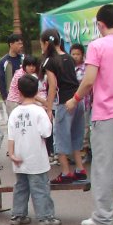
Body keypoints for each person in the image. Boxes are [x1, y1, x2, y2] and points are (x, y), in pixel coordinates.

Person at [65, 3, 113, 225]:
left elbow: (89, 80)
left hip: (106, 112)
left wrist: (74, 99)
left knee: (103, 166)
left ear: (100, 24)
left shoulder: (97, 46)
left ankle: (102, 216)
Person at [7, 74, 60, 225]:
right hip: (36, 158)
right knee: (40, 187)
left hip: (19, 157)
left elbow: (11, 136)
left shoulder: (15, 113)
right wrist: (49, 118)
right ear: (36, 91)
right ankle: (45, 216)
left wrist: (12, 154)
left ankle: (18, 214)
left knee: (21, 187)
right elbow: (46, 133)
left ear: (20, 92)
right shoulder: (39, 112)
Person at [40, 28, 87, 183]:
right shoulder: (68, 57)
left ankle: (66, 172)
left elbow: (53, 85)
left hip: (64, 103)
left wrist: (48, 108)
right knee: (76, 136)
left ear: (46, 43)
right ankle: (80, 169)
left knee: (60, 138)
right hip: (77, 101)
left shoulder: (49, 61)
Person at [0, 34, 25, 113]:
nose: (21, 46)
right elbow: (1, 80)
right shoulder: (3, 61)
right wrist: (5, 98)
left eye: (22, 44)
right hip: (11, 98)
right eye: (19, 44)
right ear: (11, 44)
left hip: (24, 96)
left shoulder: (23, 59)